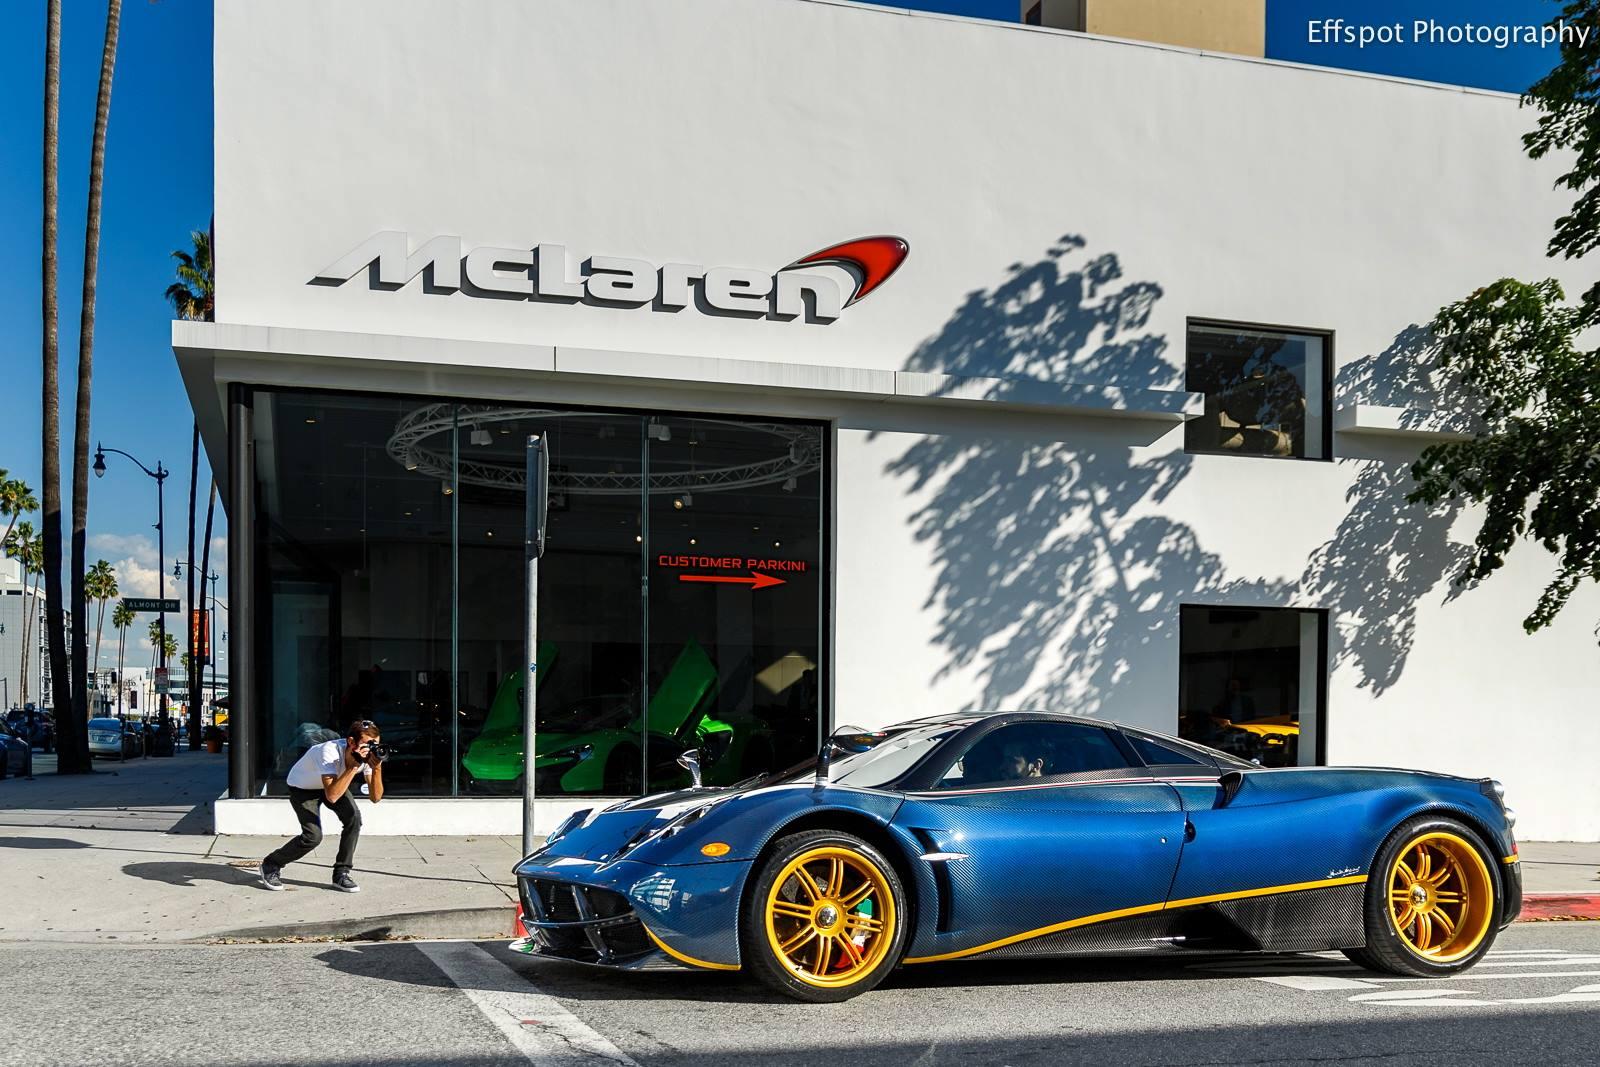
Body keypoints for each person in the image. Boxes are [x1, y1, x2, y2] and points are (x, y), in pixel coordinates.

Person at [259, 720, 385, 893]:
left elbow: (376, 798)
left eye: (375, 744)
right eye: (367, 744)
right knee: (312, 837)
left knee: (354, 818)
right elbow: (332, 796)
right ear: (351, 742)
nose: (371, 748)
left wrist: (376, 768)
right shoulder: (329, 751)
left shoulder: (368, 755)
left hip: (334, 784)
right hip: (303, 787)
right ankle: (271, 863)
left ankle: (342, 873)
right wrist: (353, 766)